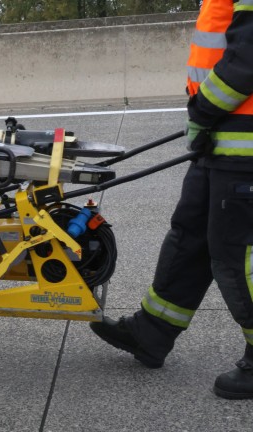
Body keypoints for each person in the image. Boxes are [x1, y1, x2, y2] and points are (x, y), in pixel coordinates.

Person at [90, 0, 253, 399]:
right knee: (190, 235)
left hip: (243, 147)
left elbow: (247, 57)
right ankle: (152, 333)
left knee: (234, 255)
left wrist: (201, 110)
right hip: (221, 139)